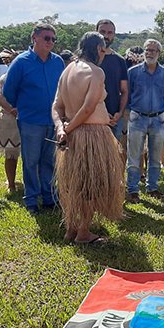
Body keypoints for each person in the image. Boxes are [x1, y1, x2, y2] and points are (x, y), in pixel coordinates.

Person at [53, 32, 124, 243]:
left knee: (73, 183)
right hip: (91, 136)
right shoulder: (96, 72)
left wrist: (61, 128)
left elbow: (56, 106)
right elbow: (88, 107)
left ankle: (71, 229)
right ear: (98, 49)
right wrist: (68, 129)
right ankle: (83, 232)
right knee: (90, 185)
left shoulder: (67, 70)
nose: (103, 54)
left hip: (72, 136)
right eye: (103, 50)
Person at [3, 23, 65, 215]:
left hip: (53, 120)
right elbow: (9, 91)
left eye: (53, 39)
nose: (50, 42)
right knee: (30, 161)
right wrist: (23, 107)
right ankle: (31, 200)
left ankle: (49, 198)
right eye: (46, 38)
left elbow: (62, 89)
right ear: (34, 38)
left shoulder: (58, 62)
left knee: (49, 161)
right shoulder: (21, 62)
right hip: (30, 120)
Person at [126, 39, 164, 202]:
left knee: (155, 157)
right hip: (137, 118)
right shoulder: (133, 72)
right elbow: (127, 94)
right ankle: (132, 189)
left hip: (157, 119)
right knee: (134, 157)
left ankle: (152, 187)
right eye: (147, 50)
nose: (149, 53)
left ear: (159, 53)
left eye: (153, 50)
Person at [96, 19, 129, 145]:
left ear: (114, 35)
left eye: (110, 33)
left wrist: (120, 113)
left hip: (114, 119)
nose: (106, 36)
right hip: (92, 118)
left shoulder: (119, 60)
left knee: (113, 154)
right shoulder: (88, 61)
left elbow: (124, 91)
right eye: (102, 32)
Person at [0, 51, 20, 193]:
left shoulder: (29, 77)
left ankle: (34, 182)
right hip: (9, 118)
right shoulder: (5, 78)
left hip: (29, 118)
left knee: (33, 154)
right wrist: (11, 110)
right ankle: (11, 184)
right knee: (11, 153)